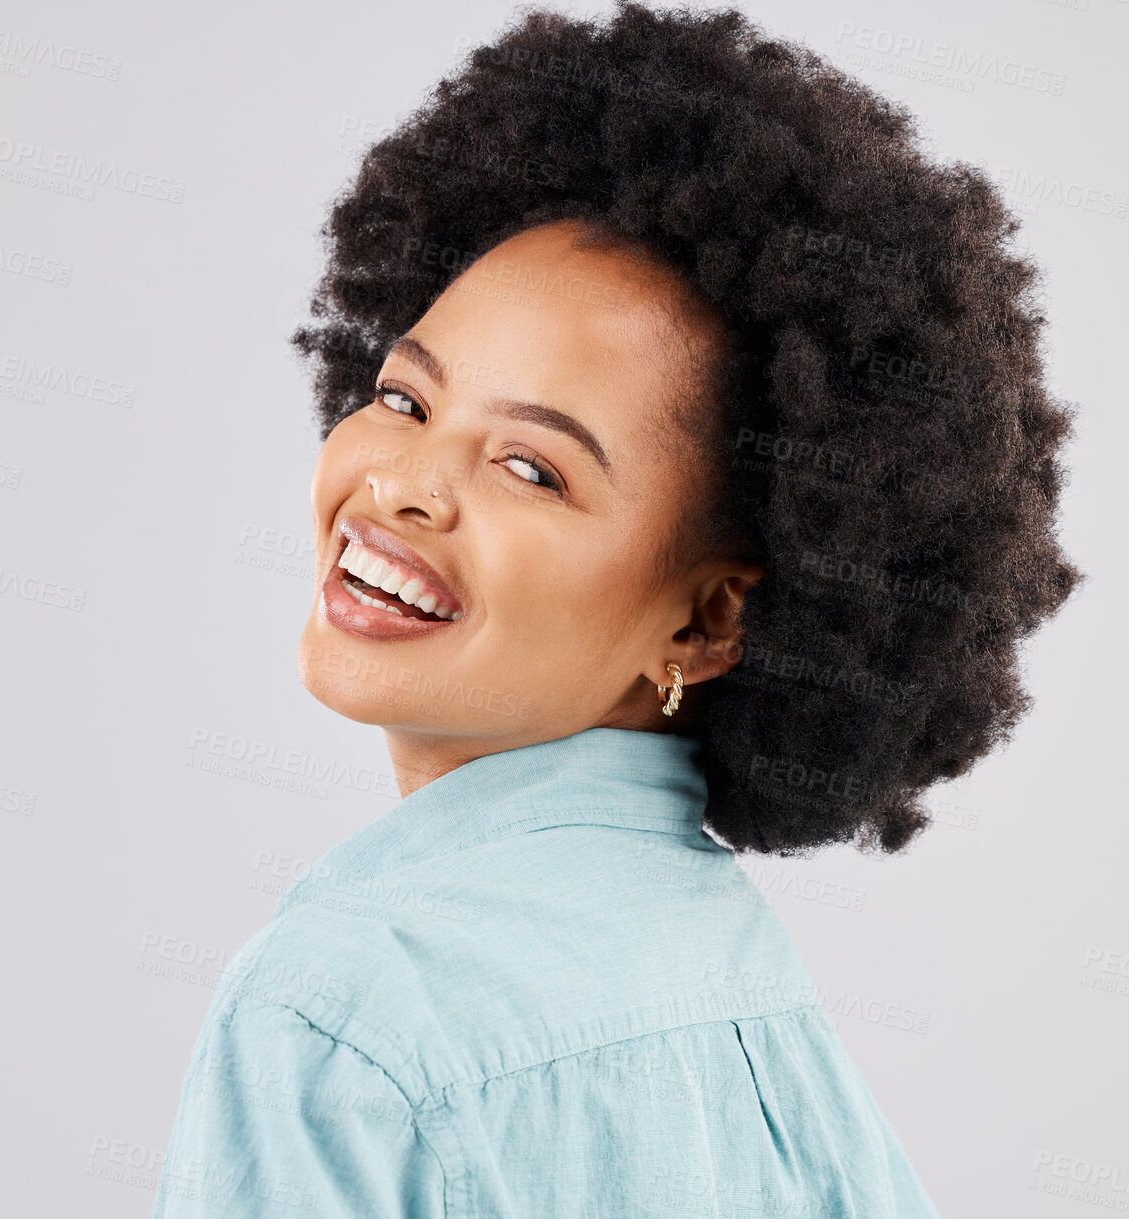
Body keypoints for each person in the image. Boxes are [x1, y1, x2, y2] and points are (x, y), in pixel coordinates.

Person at [152, 4, 1080, 1215]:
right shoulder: (742, 991)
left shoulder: (341, 1008)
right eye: (404, 397)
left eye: (532, 468)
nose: (403, 486)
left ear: (702, 623)